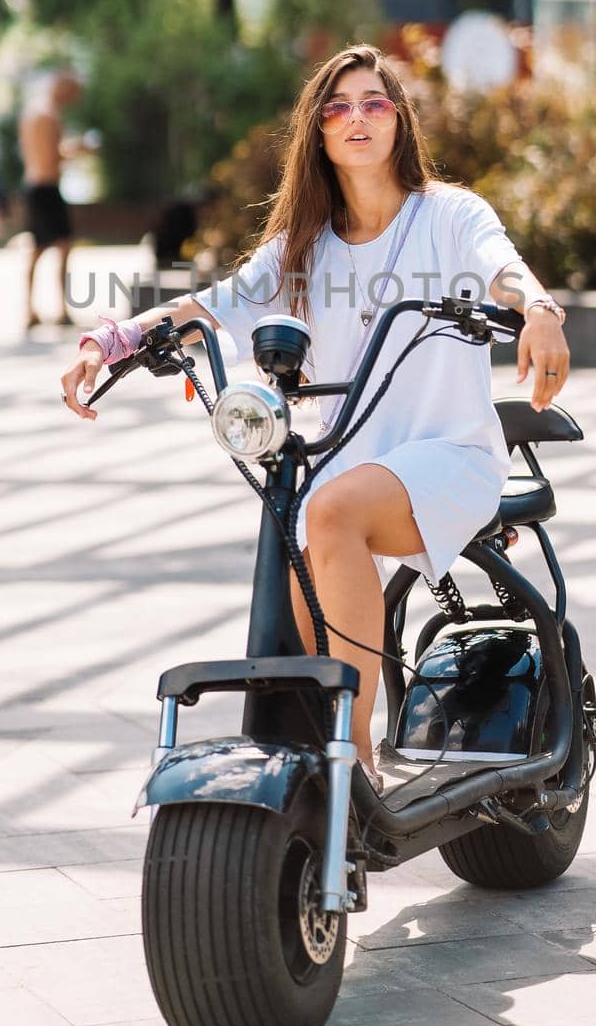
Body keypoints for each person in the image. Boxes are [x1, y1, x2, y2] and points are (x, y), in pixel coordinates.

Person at [60, 44, 569, 788]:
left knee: (324, 514)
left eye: (373, 102)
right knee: (302, 521)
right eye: (337, 107)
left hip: (449, 454)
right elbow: (207, 306)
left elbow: (503, 266)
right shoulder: (299, 247)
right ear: (318, 133)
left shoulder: (449, 215)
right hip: (346, 466)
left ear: (398, 119)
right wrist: (110, 342)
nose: (356, 117)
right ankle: (332, 754)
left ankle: (351, 763)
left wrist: (541, 309)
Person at [18, 70, 84, 330]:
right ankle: (60, 309)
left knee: (38, 250)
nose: (74, 99)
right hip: (46, 188)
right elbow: (49, 158)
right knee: (61, 247)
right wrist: (77, 150)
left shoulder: (33, 112)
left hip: (35, 187)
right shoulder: (47, 115)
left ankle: (32, 309)